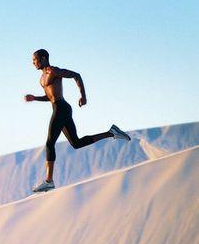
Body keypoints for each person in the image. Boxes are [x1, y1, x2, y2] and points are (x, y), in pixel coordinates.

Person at [24, 49, 131, 193]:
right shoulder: (42, 78)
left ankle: (49, 181)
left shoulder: (53, 71)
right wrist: (35, 98)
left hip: (61, 108)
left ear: (43, 59)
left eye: (35, 59)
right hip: (59, 108)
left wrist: (83, 96)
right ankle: (111, 132)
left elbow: (76, 75)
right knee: (76, 143)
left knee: (50, 143)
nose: (33, 63)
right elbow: (49, 97)